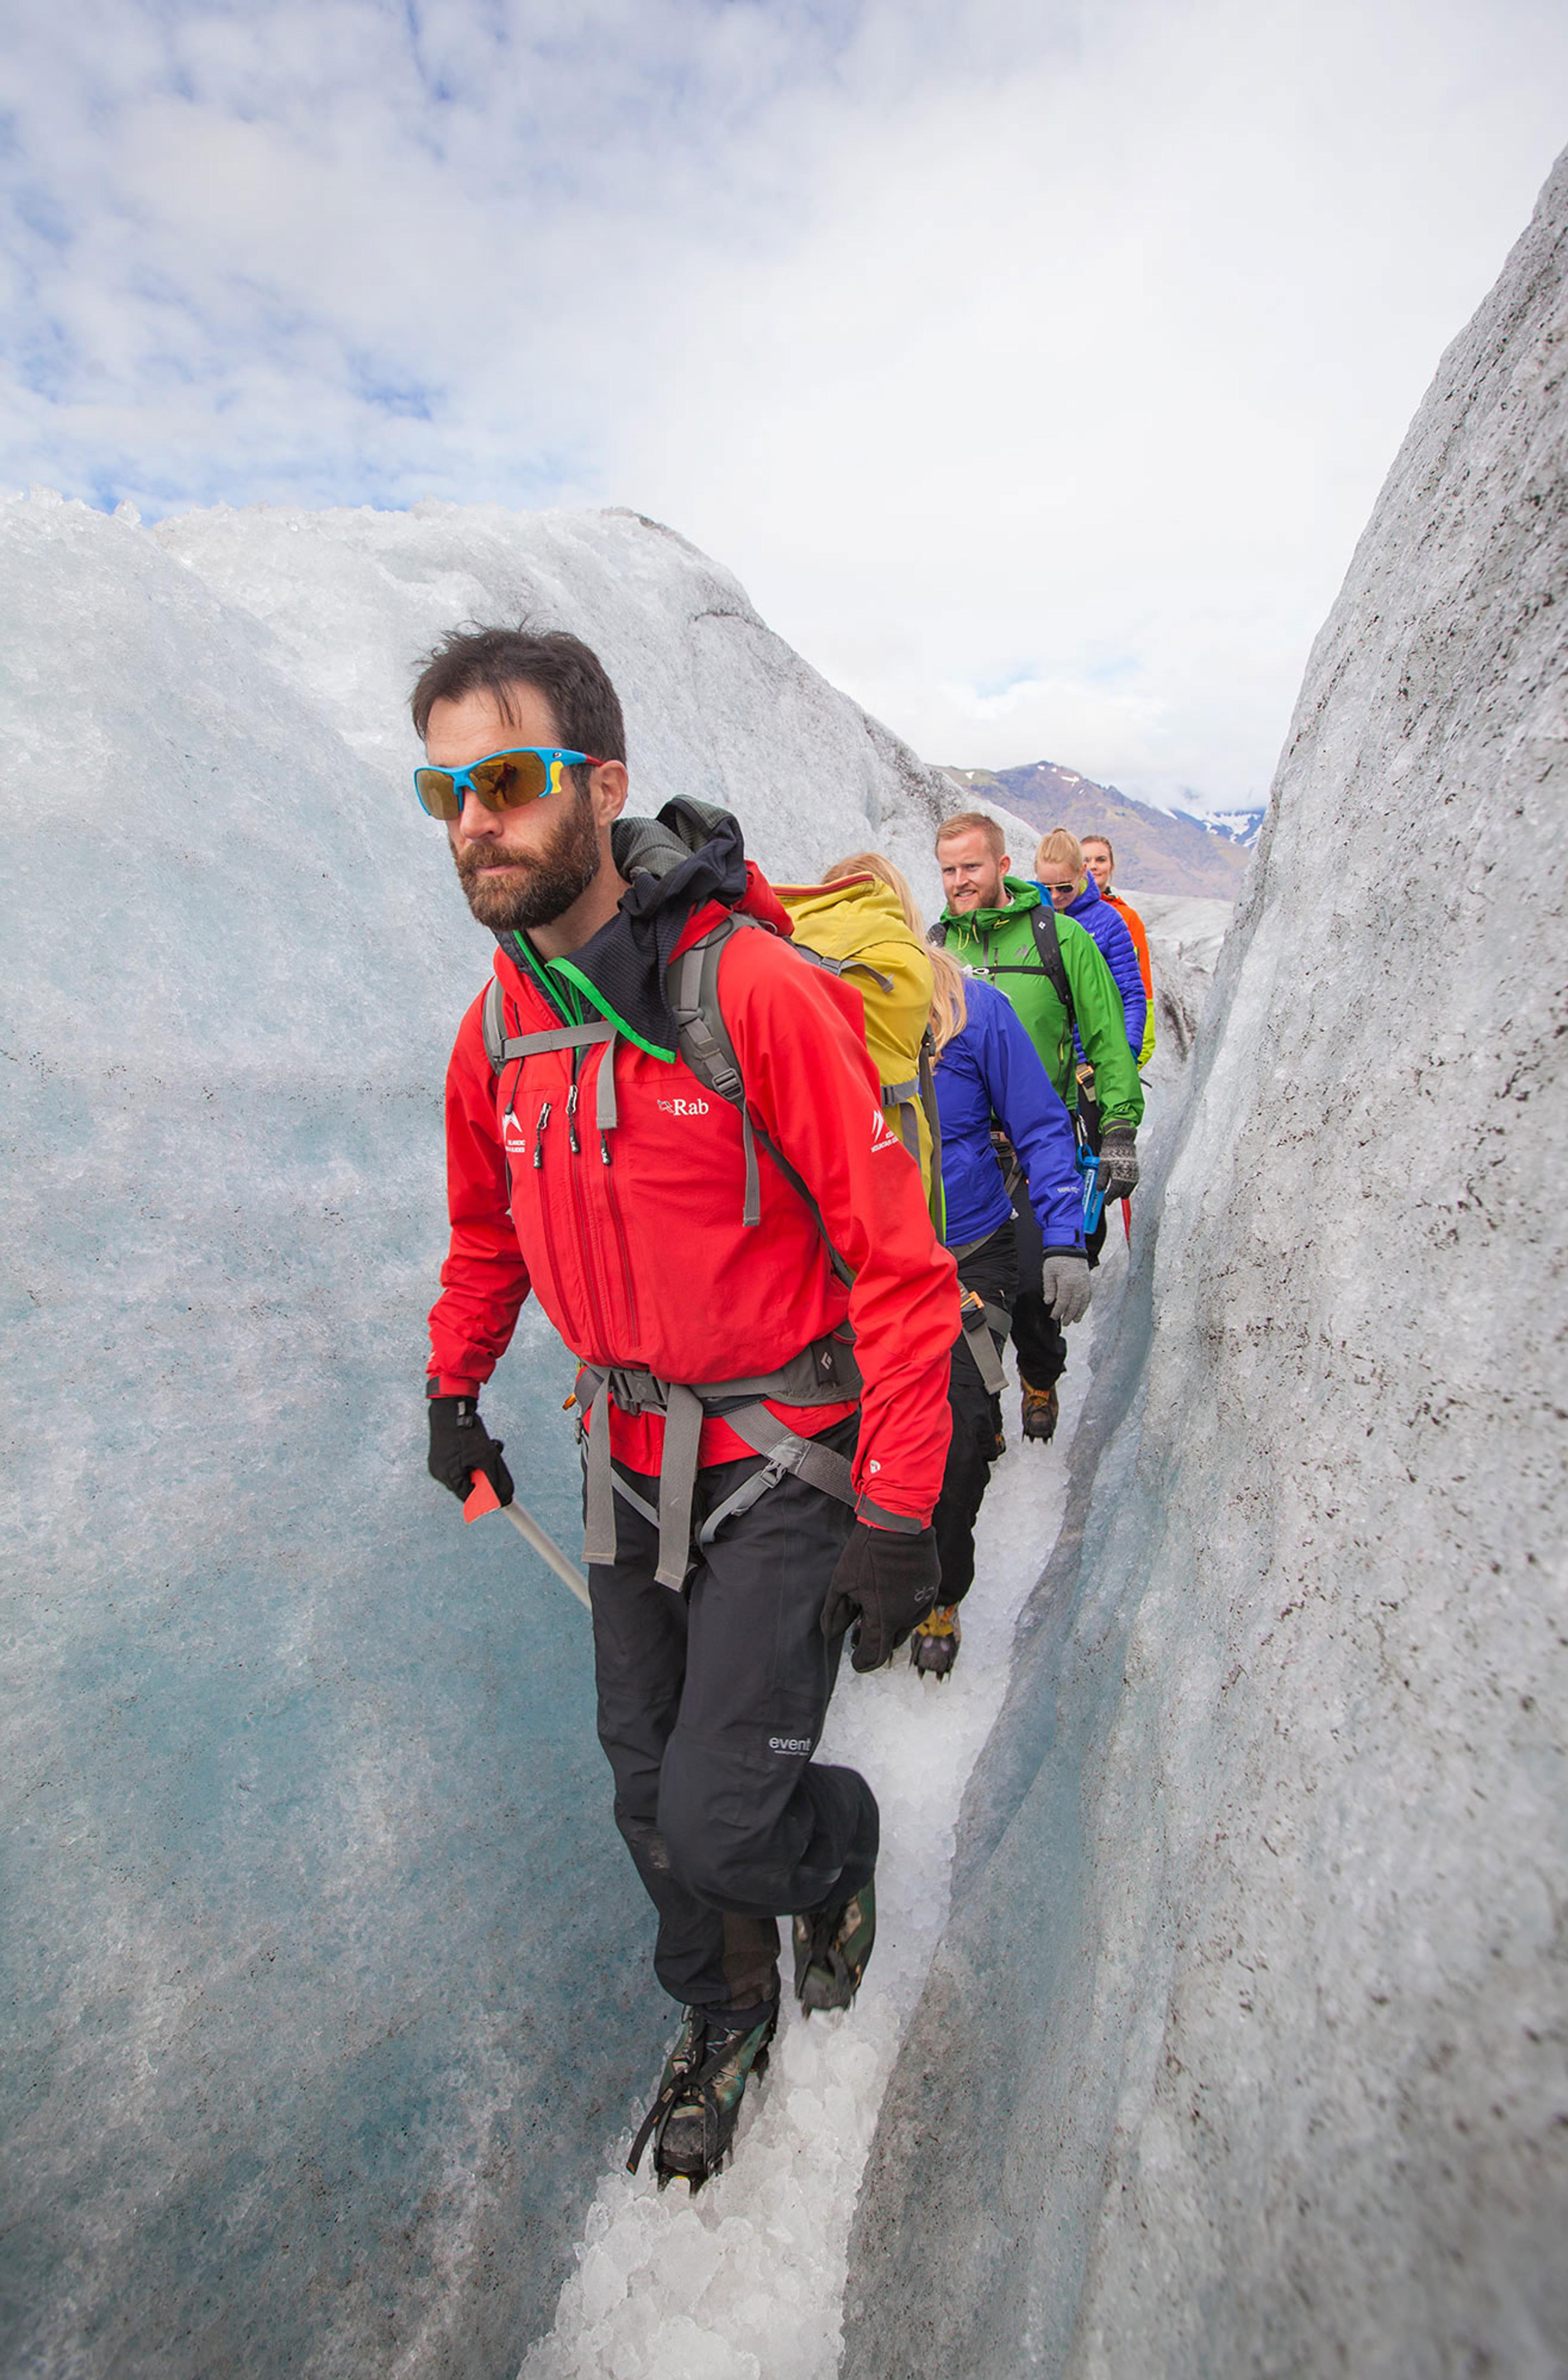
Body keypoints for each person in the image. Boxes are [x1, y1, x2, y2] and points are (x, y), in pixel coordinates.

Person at [416, 628, 961, 2192]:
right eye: (444, 789)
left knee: (729, 1818)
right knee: (645, 1792)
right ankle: (724, 2008)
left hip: (785, 1459)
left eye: (505, 781)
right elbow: (486, 1233)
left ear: (600, 784)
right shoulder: (499, 1030)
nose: (474, 820)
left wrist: (899, 1504)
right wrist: (454, 1377)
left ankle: (833, 1836)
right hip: (625, 1462)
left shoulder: (755, 989)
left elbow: (902, 1266)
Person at [823, 854, 1092, 1679]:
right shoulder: (808, 1015)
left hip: (967, 1258)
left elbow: (1042, 1125)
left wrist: (1062, 1237)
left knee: (959, 1439)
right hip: (857, 1270)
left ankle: (939, 1590)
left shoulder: (974, 1007)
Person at [934, 811, 1142, 1444]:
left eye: (972, 866)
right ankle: (978, 1408)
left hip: (1033, 1141)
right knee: (959, 1286)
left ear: (1003, 866)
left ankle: (1040, 1375)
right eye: (948, 869)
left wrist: (1119, 1127)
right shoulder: (936, 947)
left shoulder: (1061, 938)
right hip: (961, 1149)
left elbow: (1107, 1030)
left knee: (1031, 1281)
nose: (959, 881)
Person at [1033, 829, 1147, 1061]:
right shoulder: (1028, 920)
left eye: (1065, 887)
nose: (1055, 897)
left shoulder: (1109, 921)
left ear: (1082, 872)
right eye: (1047, 888)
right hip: (1044, 1063)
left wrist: (1128, 1050)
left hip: (1092, 1063)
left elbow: (1131, 993)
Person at [1080, 834, 1156, 1069]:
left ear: (1111, 866)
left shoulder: (1128, 918)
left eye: (1101, 860)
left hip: (1114, 1038)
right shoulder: (1060, 912)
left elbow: (1141, 984)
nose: (1093, 866)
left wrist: (1137, 1049)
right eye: (1086, 860)